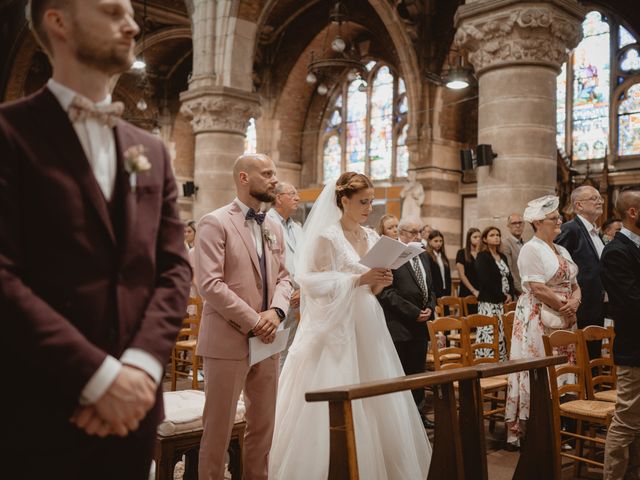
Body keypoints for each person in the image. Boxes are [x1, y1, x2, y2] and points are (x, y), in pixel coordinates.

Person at [0, 1, 192, 477]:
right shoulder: (10, 134)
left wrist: (142, 369)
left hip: (135, 409)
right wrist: (97, 378)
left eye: (130, 12)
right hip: (40, 405)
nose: (131, 24)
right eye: (111, 11)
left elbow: (173, 268)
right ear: (58, 21)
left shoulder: (149, 151)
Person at [269, 172, 431, 479]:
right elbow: (311, 283)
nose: (370, 207)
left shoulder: (372, 237)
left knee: (377, 393)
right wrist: (359, 279)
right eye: (363, 202)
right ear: (344, 200)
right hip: (335, 328)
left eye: (371, 201)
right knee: (338, 385)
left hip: (369, 320)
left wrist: (381, 281)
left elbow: (373, 289)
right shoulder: (326, 236)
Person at [193, 154, 292, 480]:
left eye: (274, 173)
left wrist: (277, 312)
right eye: (267, 173)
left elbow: (285, 278)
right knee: (218, 431)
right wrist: (255, 320)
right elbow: (209, 284)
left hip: (267, 341)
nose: (274, 180)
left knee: (263, 428)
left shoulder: (274, 225)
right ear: (244, 178)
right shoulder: (215, 222)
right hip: (227, 340)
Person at [505, 195, 580, 450]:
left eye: (558, 216)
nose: (559, 220)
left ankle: (558, 429)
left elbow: (574, 284)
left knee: (562, 372)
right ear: (537, 222)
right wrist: (565, 307)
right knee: (541, 370)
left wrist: (575, 302)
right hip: (539, 318)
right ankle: (537, 430)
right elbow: (537, 288)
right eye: (553, 218)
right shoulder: (531, 249)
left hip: (565, 317)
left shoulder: (562, 249)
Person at [377, 219, 437, 428]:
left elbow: (430, 288)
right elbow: (385, 292)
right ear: (401, 233)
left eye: (420, 231)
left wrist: (430, 307)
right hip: (400, 325)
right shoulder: (391, 256)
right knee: (401, 374)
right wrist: (413, 312)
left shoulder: (423, 255)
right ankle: (401, 421)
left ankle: (418, 416)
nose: (419, 236)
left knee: (418, 374)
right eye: (413, 232)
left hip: (421, 326)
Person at [602, 187, 640, 479]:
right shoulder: (616, 251)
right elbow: (629, 301)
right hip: (633, 347)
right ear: (633, 212)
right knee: (626, 420)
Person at [555, 185, 606, 360]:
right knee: (582, 358)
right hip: (580, 304)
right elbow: (558, 262)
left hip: (597, 303)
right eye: (594, 198)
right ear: (578, 206)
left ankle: (594, 388)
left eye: (600, 198)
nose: (600, 201)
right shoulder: (571, 229)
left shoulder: (594, 231)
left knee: (593, 356)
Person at [267, 182, 303, 371]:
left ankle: (282, 394)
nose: (297, 198)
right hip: (276, 296)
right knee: (272, 351)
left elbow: (305, 260)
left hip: (299, 296)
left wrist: (303, 289)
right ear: (278, 198)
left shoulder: (297, 228)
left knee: (291, 350)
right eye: (292, 194)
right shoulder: (266, 223)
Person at [474, 226, 515, 361]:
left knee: (502, 333)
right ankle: (487, 360)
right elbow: (485, 280)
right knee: (489, 332)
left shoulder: (502, 256)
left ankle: (502, 361)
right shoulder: (482, 256)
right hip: (489, 302)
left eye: (498, 234)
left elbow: (509, 277)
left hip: (503, 302)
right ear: (485, 239)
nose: (496, 237)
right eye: (492, 235)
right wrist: (503, 296)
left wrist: (510, 295)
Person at [502, 213, 525, 296]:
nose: (518, 225)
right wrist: (522, 290)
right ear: (508, 225)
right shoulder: (505, 244)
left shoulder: (525, 244)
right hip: (515, 292)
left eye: (520, 223)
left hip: (527, 288)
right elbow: (509, 270)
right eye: (514, 223)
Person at [426, 229, 452, 300]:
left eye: (441, 241)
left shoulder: (443, 257)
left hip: (445, 291)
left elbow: (447, 276)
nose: (439, 243)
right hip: (434, 292)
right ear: (429, 241)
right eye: (436, 241)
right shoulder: (427, 256)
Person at [456, 227, 481, 299]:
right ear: (469, 239)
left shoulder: (483, 254)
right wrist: (473, 291)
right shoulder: (461, 253)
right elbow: (462, 275)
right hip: (467, 289)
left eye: (479, 237)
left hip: (481, 290)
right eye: (475, 237)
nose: (478, 239)